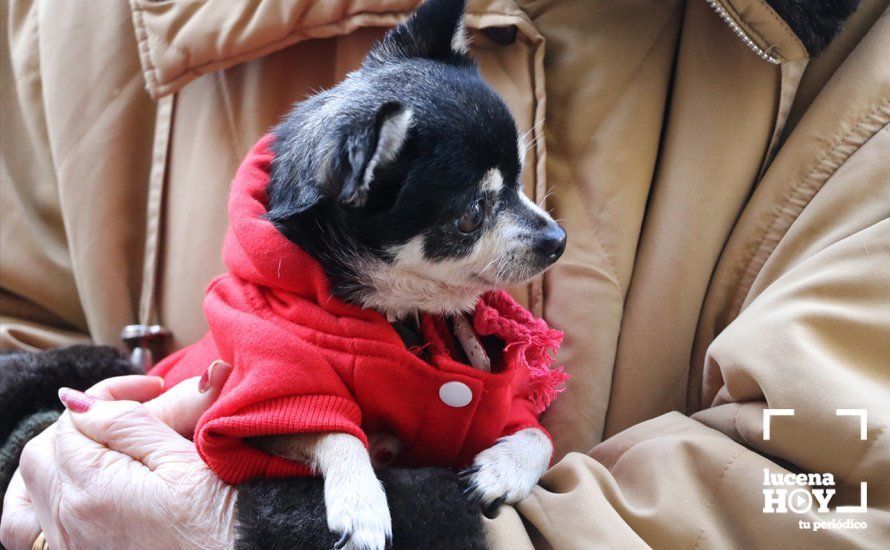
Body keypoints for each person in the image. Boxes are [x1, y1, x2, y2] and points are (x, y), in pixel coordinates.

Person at [2, 0, 889, 547]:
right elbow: (20, 317)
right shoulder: (69, 18)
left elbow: (848, 485)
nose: (547, 235)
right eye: (477, 215)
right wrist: (53, 477)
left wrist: (264, 537)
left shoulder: (859, 66)